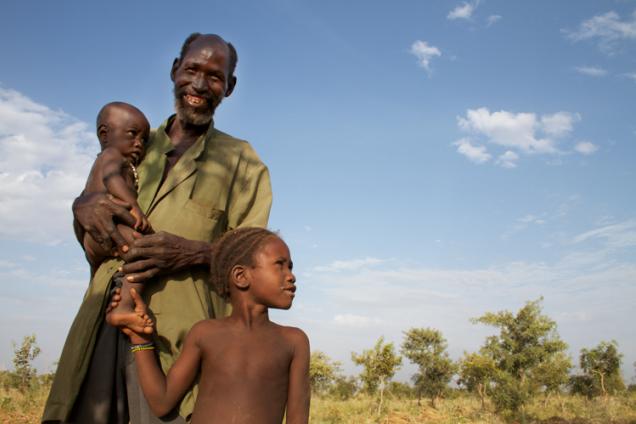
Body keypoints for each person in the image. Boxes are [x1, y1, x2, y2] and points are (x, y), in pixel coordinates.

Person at [43, 33, 273, 424]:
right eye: (192, 70)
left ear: (229, 87)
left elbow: (254, 258)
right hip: (101, 319)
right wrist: (81, 207)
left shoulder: (242, 161)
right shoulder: (132, 141)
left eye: (215, 77)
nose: (200, 85)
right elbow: (93, 229)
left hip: (176, 342)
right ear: (174, 70)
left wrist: (193, 252)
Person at [114, 228, 310, 424]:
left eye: (290, 267)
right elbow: (162, 402)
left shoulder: (293, 341)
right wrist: (140, 339)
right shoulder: (205, 333)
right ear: (241, 276)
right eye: (280, 265)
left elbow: (297, 418)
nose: (291, 276)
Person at [82, 102, 154, 334]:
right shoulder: (111, 156)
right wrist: (133, 206)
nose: (139, 144)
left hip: (101, 233)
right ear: (105, 134)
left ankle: (113, 297)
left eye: (143, 140)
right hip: (107, 229)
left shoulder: (115, 160)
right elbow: (113, 181)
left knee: (135, 257)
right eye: (133, 135)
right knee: (147, 251)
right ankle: (123, 306)